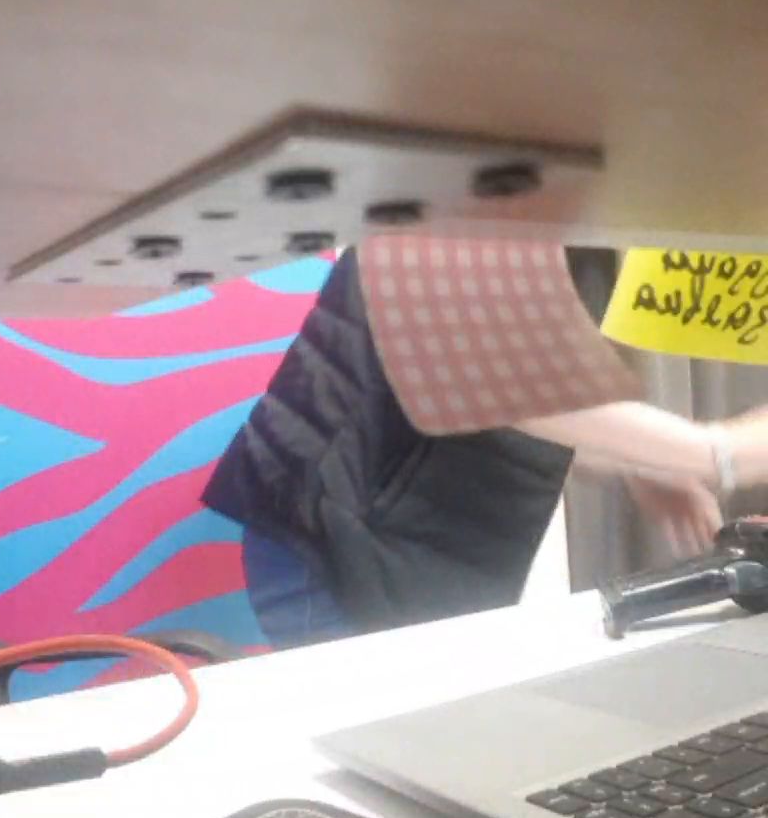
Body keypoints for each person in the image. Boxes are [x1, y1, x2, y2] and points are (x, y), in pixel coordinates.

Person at [204, 248, 768, 649]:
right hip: (336, 535)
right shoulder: (483, 163)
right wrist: (718, 451)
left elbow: (531, 388)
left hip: (419, 528)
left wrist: (639, 463)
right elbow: (496, 373)